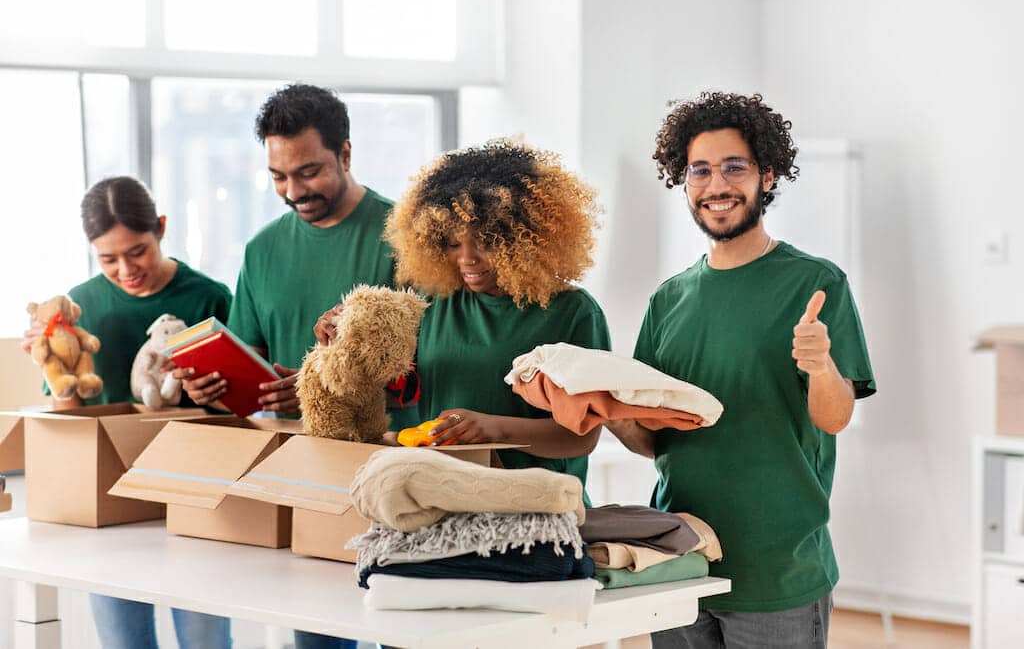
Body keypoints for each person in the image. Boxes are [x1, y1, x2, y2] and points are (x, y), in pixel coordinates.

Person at [607, 92, 876, 649]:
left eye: (735, 167)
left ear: (768, 177)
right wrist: (604, 411)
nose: (717, 186)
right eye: (700, 171)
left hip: (779, 570)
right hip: (681, 559)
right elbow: (655, 440)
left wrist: (821, 365)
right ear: (684, 182)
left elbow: (834, 418)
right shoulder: (669, 300)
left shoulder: (816, 284)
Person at [178, 83, 399, 649]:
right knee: (315, 639)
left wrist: (323, 390)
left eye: (309, 172)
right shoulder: (260, 251)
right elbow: (249, 367)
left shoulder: (402, 239)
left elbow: (424, 363)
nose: (293, 191)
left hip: (385, 469)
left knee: (398, 628)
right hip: (296, 473)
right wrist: (215, 389)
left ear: (345, 154)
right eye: (279, 176)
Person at [316, 140, 611, 486]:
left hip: (536, 507)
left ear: (524, 237)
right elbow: (393, 388)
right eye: (454, 243)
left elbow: (581, 437)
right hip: (442, 498)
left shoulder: (573, 312)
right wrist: (343, 337)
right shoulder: (433, 303)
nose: (467, 259)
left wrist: (492, 428)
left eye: (486, 242)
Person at [23, 176, 232, 647]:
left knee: (205, 640)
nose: (125, 269)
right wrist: (53, 362)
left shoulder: (208, 297)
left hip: (191, 494)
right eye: (108, 258)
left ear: (160, 228)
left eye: (137, 251)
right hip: (110, 497)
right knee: (124, 642)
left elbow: (234, 412)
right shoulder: (81, 305)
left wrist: (207, 392)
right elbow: (70, 412)